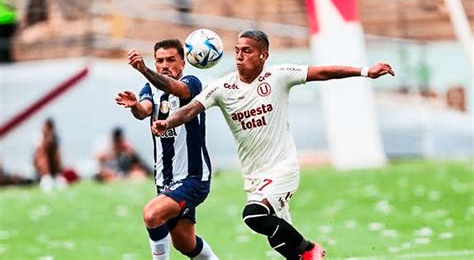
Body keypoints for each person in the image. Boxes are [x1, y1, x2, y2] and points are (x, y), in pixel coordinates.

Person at [149, 30, 395, 259]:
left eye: (247, 51)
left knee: (253, 215)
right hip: (254, 176)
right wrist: (168, 123)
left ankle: (311, 249)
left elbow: (321, 72)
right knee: (279, 242)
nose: (239, 56)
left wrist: (364, 71)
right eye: (237, 50)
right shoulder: (222, 88)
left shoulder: (278, 76)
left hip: (282, 168)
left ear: (263, 55)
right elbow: (191, 109)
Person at [116, 39, 218, 260]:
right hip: (165, 180)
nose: (164, 65)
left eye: (171, 59)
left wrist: (144, 69)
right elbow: (144, 110)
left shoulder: (192, 83)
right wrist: (135, 106)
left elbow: (176, 88)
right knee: (185, 243)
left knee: (152, 215)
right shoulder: (150, 89)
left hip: (193, 177)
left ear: (183, 62)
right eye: (159, 61)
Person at [33, 118, 67, 191]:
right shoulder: (39, 136)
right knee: (43, 158)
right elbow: (40, 154)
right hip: (42, 167)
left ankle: (54, 177)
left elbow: (57, 154)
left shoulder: (56, 136)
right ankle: (46, 177)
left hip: (54, 168)